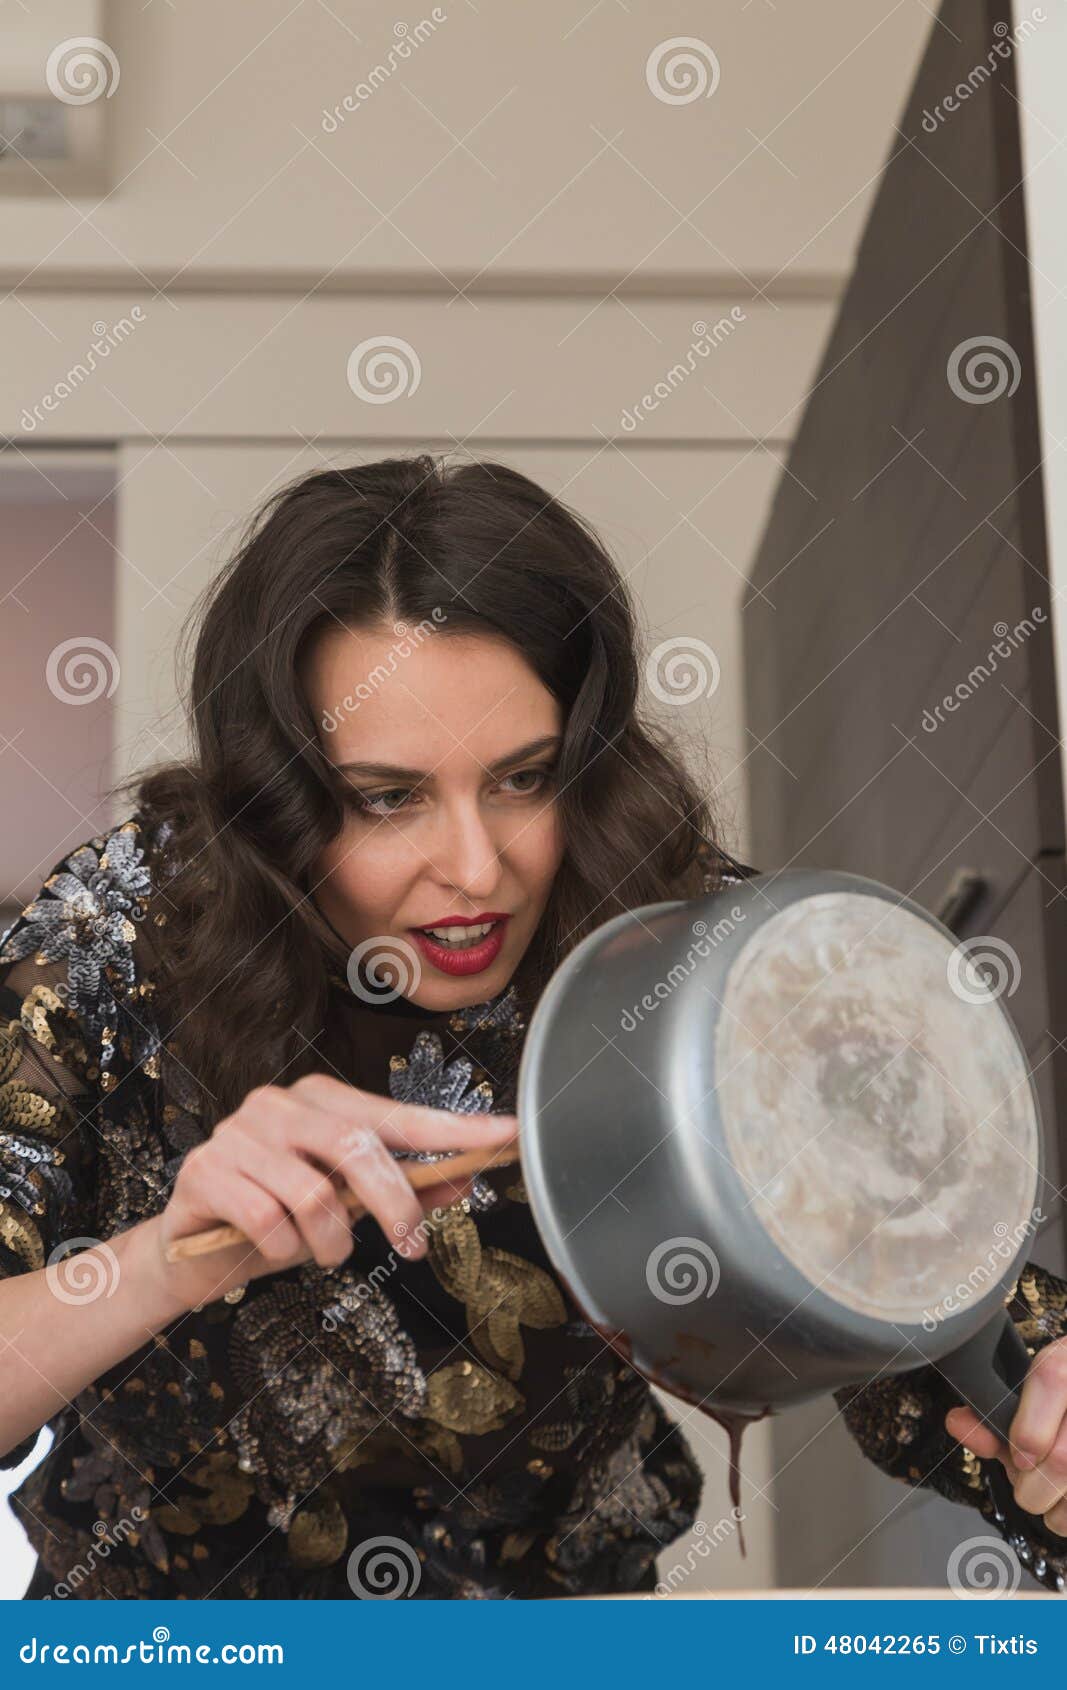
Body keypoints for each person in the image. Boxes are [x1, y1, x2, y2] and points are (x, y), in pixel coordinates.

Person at [1, 455, 1065, 1599]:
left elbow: (911, 1297)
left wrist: (1043, 1404)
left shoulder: (680, 958)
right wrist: (162, 1260)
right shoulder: (114, 944)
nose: (475, 869)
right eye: (385, 796)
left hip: (564, 1632)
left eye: (525, 777)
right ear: (276, 796)